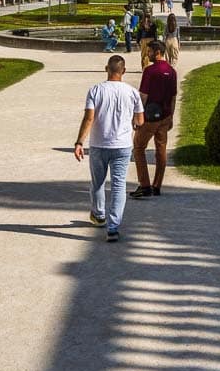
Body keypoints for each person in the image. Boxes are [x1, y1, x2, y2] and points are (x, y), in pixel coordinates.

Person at [74, 55, 144, 242]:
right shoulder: (132, 92)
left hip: (99, 144)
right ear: (124, 71)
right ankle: (113, 227)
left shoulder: (96, 90)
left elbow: (89, 118)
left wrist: (79, 142)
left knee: (97, 182)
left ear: (107, 69)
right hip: (122, 146)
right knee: (118, 185)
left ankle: (98, 215)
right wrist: (133, 124)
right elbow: (140, 120)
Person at [131, 41, 177, 200]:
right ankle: (157, 186)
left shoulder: (149, 71)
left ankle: (144, 185)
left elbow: (143, 96)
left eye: (149, 51)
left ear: (157, 52)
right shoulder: (171, 71)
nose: (147, 54)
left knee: (138, 147)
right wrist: (171, 116)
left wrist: (137, 115)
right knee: (161, 150)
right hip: (165, 116)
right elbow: (173, 97)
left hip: (150, 117)